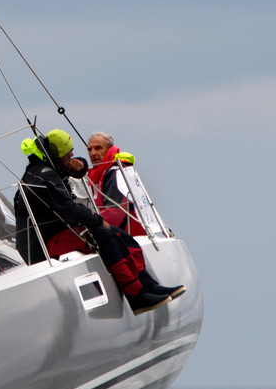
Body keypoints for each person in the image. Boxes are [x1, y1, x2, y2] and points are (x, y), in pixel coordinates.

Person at [13, 129, 182, 314]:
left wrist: (81, 166)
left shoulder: (46, 169)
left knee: (120, 234)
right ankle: (136, 296)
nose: (72, 155)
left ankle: (148, 285)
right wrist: (98, 221)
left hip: (58, 235)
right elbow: (69, 209)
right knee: (104, 236)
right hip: (46, 243)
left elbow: (76, 171)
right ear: (57, 153)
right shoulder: (46, 176)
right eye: (68, 152)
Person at [86, 132, 144, 236]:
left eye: (98, 148)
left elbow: (115, 212)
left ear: (109, 150)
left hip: (128, 236)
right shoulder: (95, 175)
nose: (93, 153)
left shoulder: (115, 172)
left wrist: (87, 226)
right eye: (90, 149)